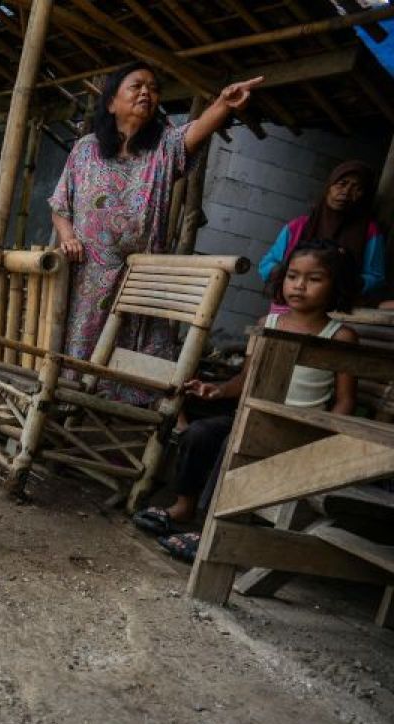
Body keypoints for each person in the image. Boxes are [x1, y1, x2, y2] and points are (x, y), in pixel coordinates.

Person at [132, 240, 359, 560]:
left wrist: (323, 442)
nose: (300, 285)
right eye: (293, 276)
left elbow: (345, 400)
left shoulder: (339, 336)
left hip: (297, 428)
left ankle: (211, 528)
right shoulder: (268, 325)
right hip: (251, 417)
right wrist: (218, 390)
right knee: (200, 433)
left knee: (232, 443)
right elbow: (246, 380)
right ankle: (184, 507)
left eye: (314, 278)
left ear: (336, 285)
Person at [49, 63, 263, 400]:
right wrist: (68, 237)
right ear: (111, 103)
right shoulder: (86, 149)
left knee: (140, 355)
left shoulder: (164, 147)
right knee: (78, 354)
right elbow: (60, 205)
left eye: (153, 88)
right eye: (136, 86)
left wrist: (223, 103)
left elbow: (196, 131)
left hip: (141, 275)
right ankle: (70, 413)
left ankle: (130, 424)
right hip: (88, 275)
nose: (146, 92)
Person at [258, 161, 386, 306]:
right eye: (342, 183)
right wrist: (290, 275)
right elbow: (267, 264)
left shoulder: (369, 231)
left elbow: (375, 277)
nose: (346, 192)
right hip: (290, 306)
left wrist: (342, 283)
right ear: (328, 187)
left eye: (357, 188)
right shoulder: (298, 226)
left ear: (364, 196)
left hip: (339, 309)